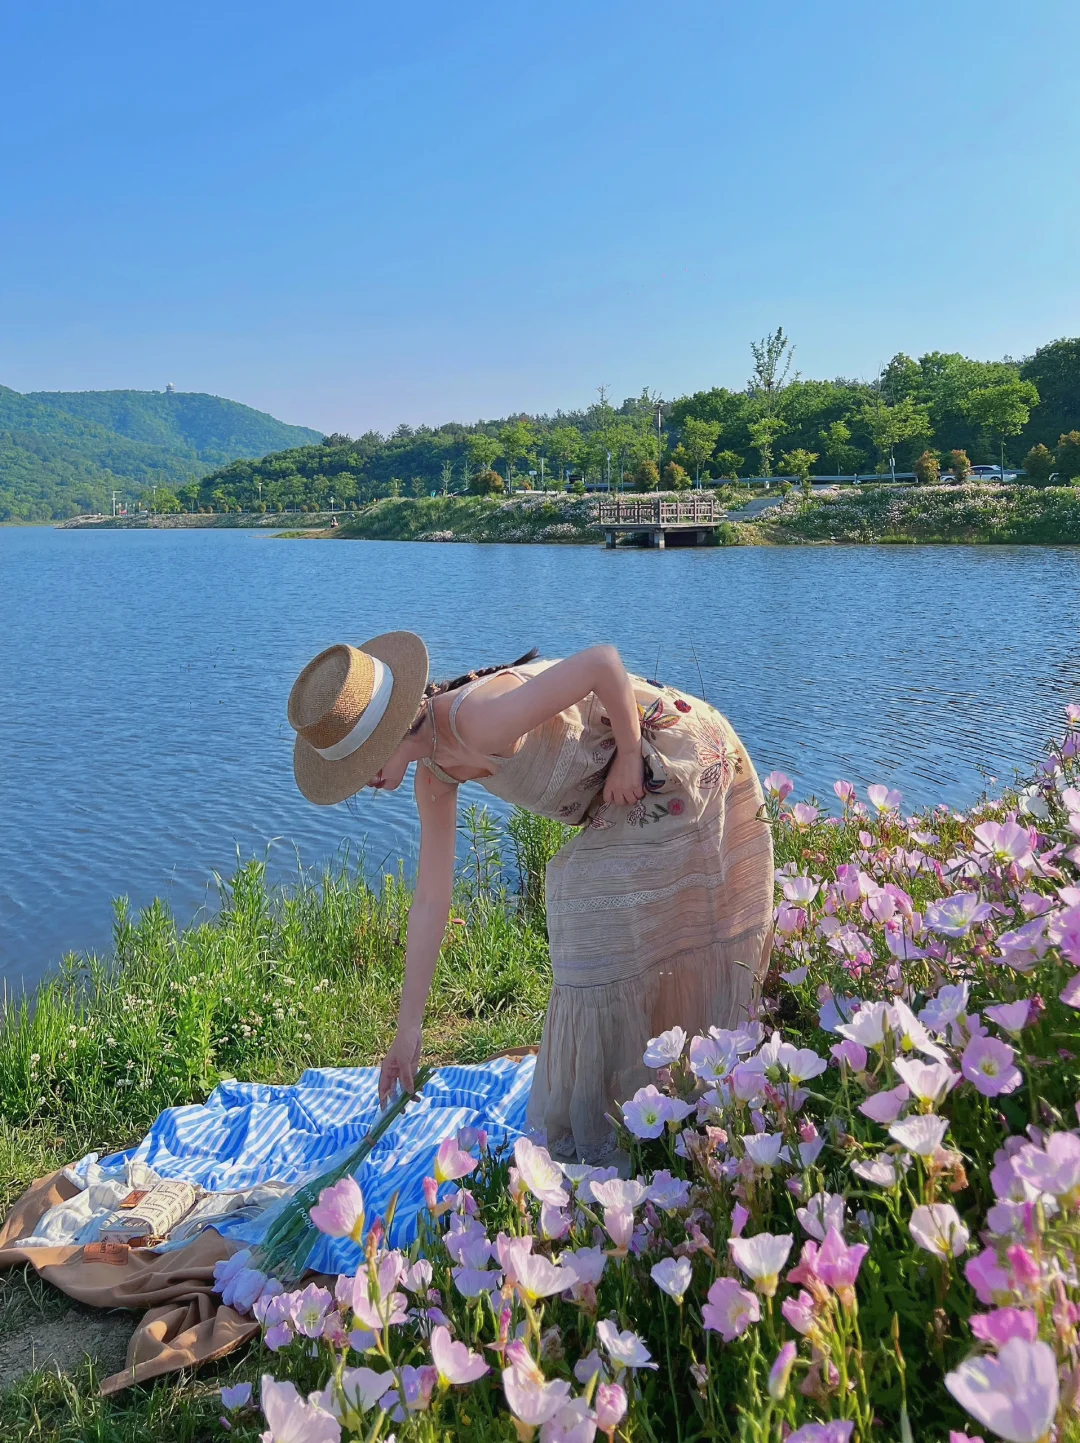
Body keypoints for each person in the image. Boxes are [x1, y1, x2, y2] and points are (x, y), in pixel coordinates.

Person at [287, 632, 773, 1163]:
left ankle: (624, 1115)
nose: (363, 785)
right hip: (631, 790)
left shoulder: (478, 719)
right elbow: (430, 900)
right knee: (592, 914)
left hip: (678, 756)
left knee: (581, 906)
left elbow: (601, 663)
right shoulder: (437, 774)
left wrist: (630, 755)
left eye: (360, 769)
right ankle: (650, 1098)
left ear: (385, 734)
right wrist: (407, 1034)